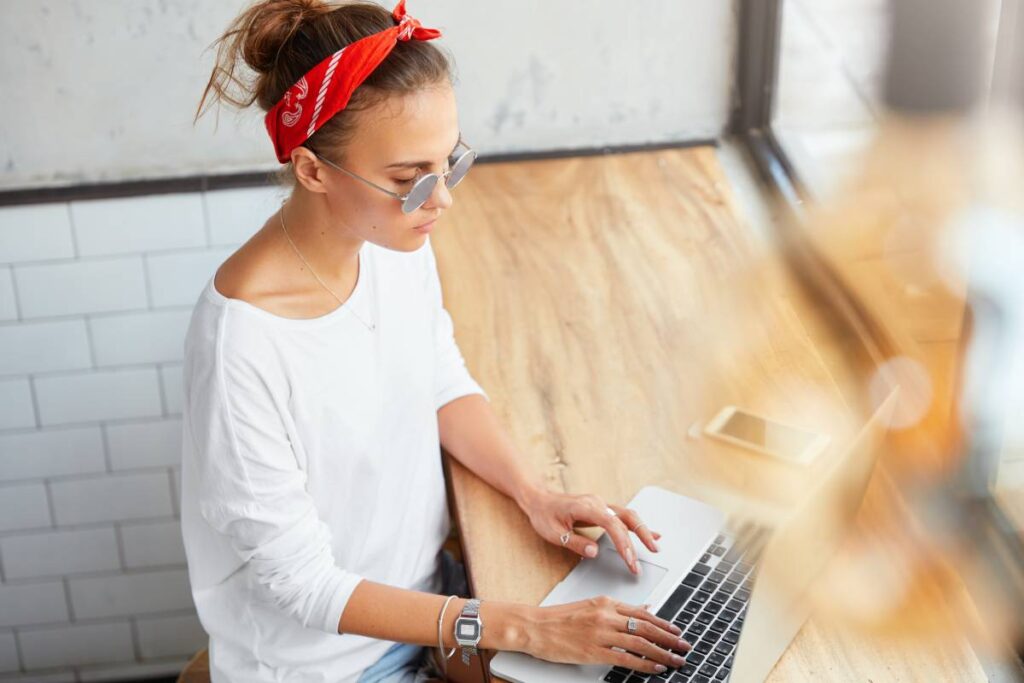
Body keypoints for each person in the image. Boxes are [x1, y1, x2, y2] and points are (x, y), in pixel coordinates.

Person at [180, 1, 690, 681]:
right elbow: (305, 585)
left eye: (448, 162)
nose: (441, 197)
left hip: (434, 595)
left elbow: (438, 377)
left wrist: (533, 493)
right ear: (312, 169)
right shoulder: (241, 343)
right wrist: (524, 625)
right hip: (323, 663)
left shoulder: (392, 237)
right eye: (409, 177)